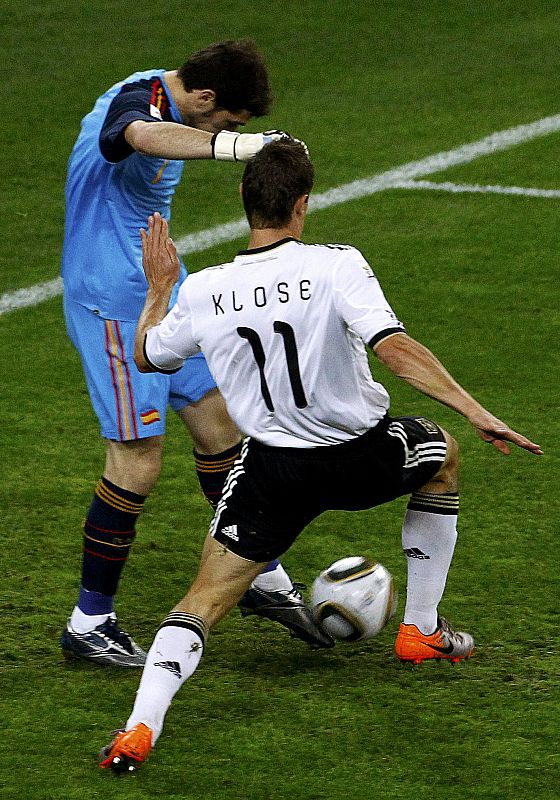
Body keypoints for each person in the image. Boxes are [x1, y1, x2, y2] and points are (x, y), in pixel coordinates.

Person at [99, 140, 542, 772]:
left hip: (271, 471)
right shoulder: (337, 265)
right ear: (302, 205)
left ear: (247, 204)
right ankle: (420, 630)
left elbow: (147, 355)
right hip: (361, 456)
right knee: (442, 455)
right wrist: (475, 411)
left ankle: (138, 731)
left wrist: (159, 288)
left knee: (199, 603)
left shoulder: (206, 290)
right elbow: (392, 347)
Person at [60, 40, 332, 669]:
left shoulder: (174, 103)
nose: (230, 132)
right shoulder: (135, 103)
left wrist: (236, 141)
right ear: (204, 99)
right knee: (136, 460)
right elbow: (138, 135)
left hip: (163, 291)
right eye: (229, 121)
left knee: (221, 426)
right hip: (112, 305)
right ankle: (89, 621)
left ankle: (261, 580)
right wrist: (237, 148)